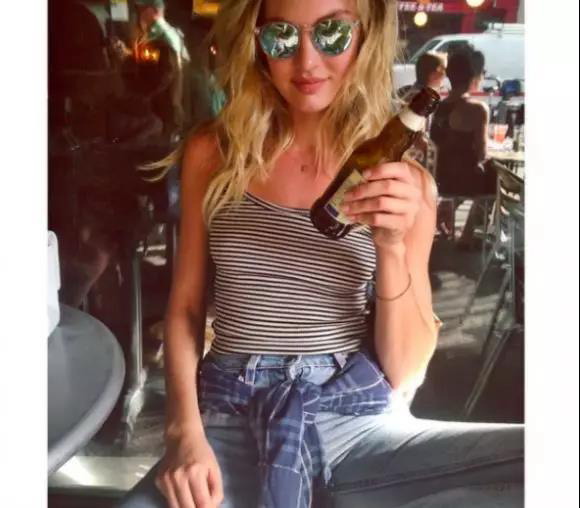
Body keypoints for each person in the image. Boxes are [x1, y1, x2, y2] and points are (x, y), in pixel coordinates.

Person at [118, 1, 523, 507]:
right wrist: (183, 433)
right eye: (282, 37)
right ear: (257, 44)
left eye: (331, 33)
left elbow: (405, 371)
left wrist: (391, 246)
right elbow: (185, 308)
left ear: (365, 37)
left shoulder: (407, 182)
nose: (307, 61)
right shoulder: (214, 152)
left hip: (356, 422)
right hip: (230, 415)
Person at [430, 47, 495, 246]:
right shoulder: (478, 109)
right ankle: (468, 235)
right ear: (473, 76)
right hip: (463, 180)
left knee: (471, 172)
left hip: (439, 177)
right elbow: (482, 152)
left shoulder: (438, 106)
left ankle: (444, 212)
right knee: (494, 177)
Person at [110, 0, 190, 143]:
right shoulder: (152, 36)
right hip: (154, 108)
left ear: (152, 11)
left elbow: (165, 74)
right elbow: (148, 64)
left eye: (141, 9)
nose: (138, 14)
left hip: (161, 109)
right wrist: (126, 54)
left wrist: (142, 97)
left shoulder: (163, 38)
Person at [400, 51, 447, 175]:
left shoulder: (412, 92)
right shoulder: (423, 98)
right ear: (434, 74)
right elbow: (418, 138)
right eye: (444, 70)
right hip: (413, 162)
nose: (446, 75)